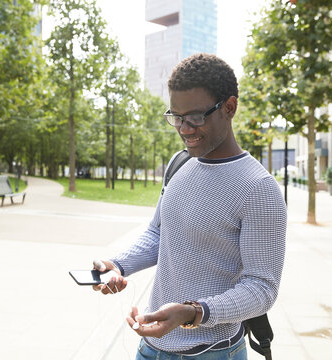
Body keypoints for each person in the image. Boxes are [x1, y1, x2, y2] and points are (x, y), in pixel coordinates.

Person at [92, 53, 286, 359]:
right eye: (176, 117)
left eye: (195, 117)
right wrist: (117, 265)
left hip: (212, 352)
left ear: (229, 108)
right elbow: (159, 234)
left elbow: (262, 288)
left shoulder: (259, 188)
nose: (184, 128)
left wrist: (194, 312)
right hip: (151, 348)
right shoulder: (179, 162)